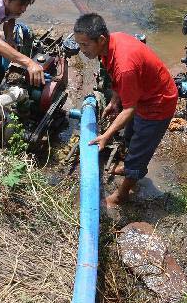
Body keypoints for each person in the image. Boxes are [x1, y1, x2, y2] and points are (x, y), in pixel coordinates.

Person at [73, 13, 177, 208]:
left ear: (101, 39)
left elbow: (129, 109)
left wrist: (106, 135)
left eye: (85, 45)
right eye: (79, 45)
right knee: (130, 136)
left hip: (158, 103)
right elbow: (116, 79)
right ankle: (128, 166)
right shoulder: (111, 44)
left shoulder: (125, 65)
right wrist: (114, 99)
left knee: (140, 149)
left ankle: (123, 194)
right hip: (144, 94)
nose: (82, 50)